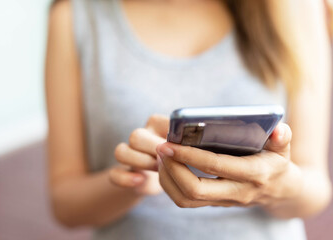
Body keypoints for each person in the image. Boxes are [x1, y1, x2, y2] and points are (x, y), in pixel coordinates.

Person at [45, 0, 332, 239]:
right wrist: (133, 179)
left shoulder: (295, 7)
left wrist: (278, 186)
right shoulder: (74, 17)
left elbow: (316, 186)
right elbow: (65, 206)